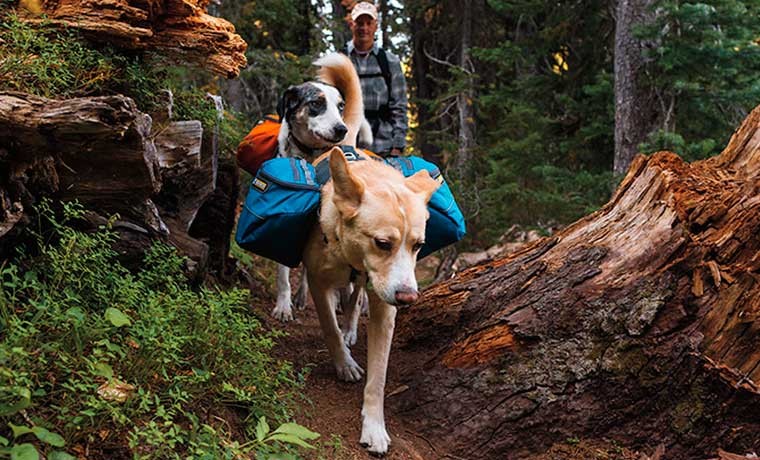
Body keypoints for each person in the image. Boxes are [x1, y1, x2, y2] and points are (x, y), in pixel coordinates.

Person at [345, 2, 408, 157]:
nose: (364, 28)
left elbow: (399, 106)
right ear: (352, 25)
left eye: (369, 23)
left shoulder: (389, 62)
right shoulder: (341, 60)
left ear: (376, 26)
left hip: (383, 146)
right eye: (360, 23)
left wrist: (398, 145)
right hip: (347, 145)